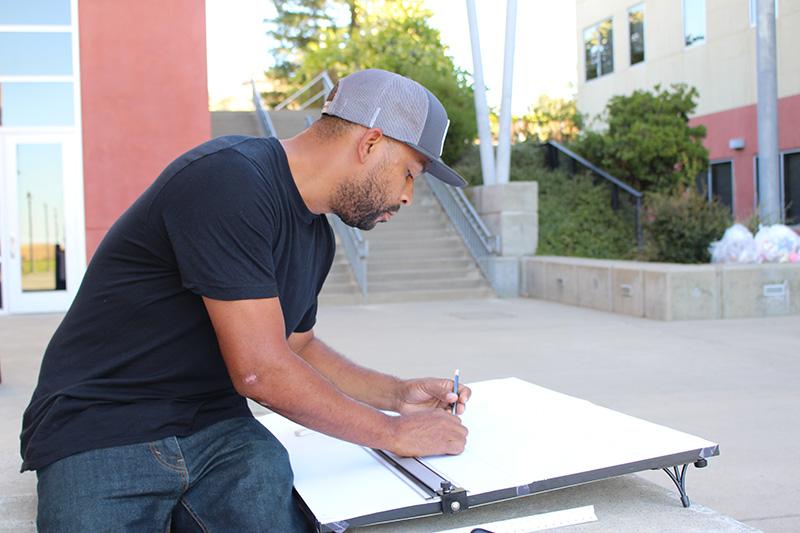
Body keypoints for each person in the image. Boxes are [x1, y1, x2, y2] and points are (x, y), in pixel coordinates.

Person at [20, 69, 472, 532]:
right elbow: (260, 369)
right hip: (104, 421)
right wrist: (392, 433)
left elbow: (297, 347)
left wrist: (396, 395)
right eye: (409, 173)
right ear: (371, 143)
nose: (407, 195)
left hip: (216, 429)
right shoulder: (228, 178)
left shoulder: (317, 237)